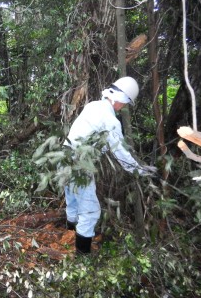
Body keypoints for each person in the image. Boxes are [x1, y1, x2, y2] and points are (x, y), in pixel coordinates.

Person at [63, 76, 157, 255]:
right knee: (90, 211)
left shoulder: (93, 106)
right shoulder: (110, 120)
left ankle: (67, 236)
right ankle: (82, 256)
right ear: (120, 99)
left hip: (64, 157)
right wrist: (142, 171)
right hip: (80, 163)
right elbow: (120, 153)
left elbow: (98, 138)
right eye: (125, 102)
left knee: (73, 201)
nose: (123, 107)